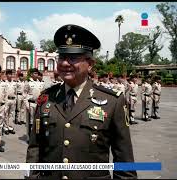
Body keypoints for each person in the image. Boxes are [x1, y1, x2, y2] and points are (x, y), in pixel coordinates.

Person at [26, 24, 137, 179]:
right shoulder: (45, 98)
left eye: (73, 58)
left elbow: (124, 160)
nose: (65, 63)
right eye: (62, 57)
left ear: (90, 64)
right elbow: (35, 148)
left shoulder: (113, 101)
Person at [24, 68, 43, 141]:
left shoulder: (40, 83)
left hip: (38, 104)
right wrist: (26, 105)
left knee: (37, 121)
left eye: (37, 73)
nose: (36, 75)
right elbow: (24, 94)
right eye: (35, 73)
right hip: (30, 104)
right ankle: (29, 137)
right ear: (31, 74)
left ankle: (36, 136)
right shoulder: (28, 82)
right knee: (30, 121)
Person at [3, 69, 17, 134]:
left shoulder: (14, 83)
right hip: (7, 100)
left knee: (11, 114)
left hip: (13, 100)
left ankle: (10, 127)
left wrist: (15, 100)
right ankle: (5, 127)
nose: (10, 75)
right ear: (6, 75)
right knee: (5, 114)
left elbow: (16, 92)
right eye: (8, 74)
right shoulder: (4, 83)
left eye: (11, 74)